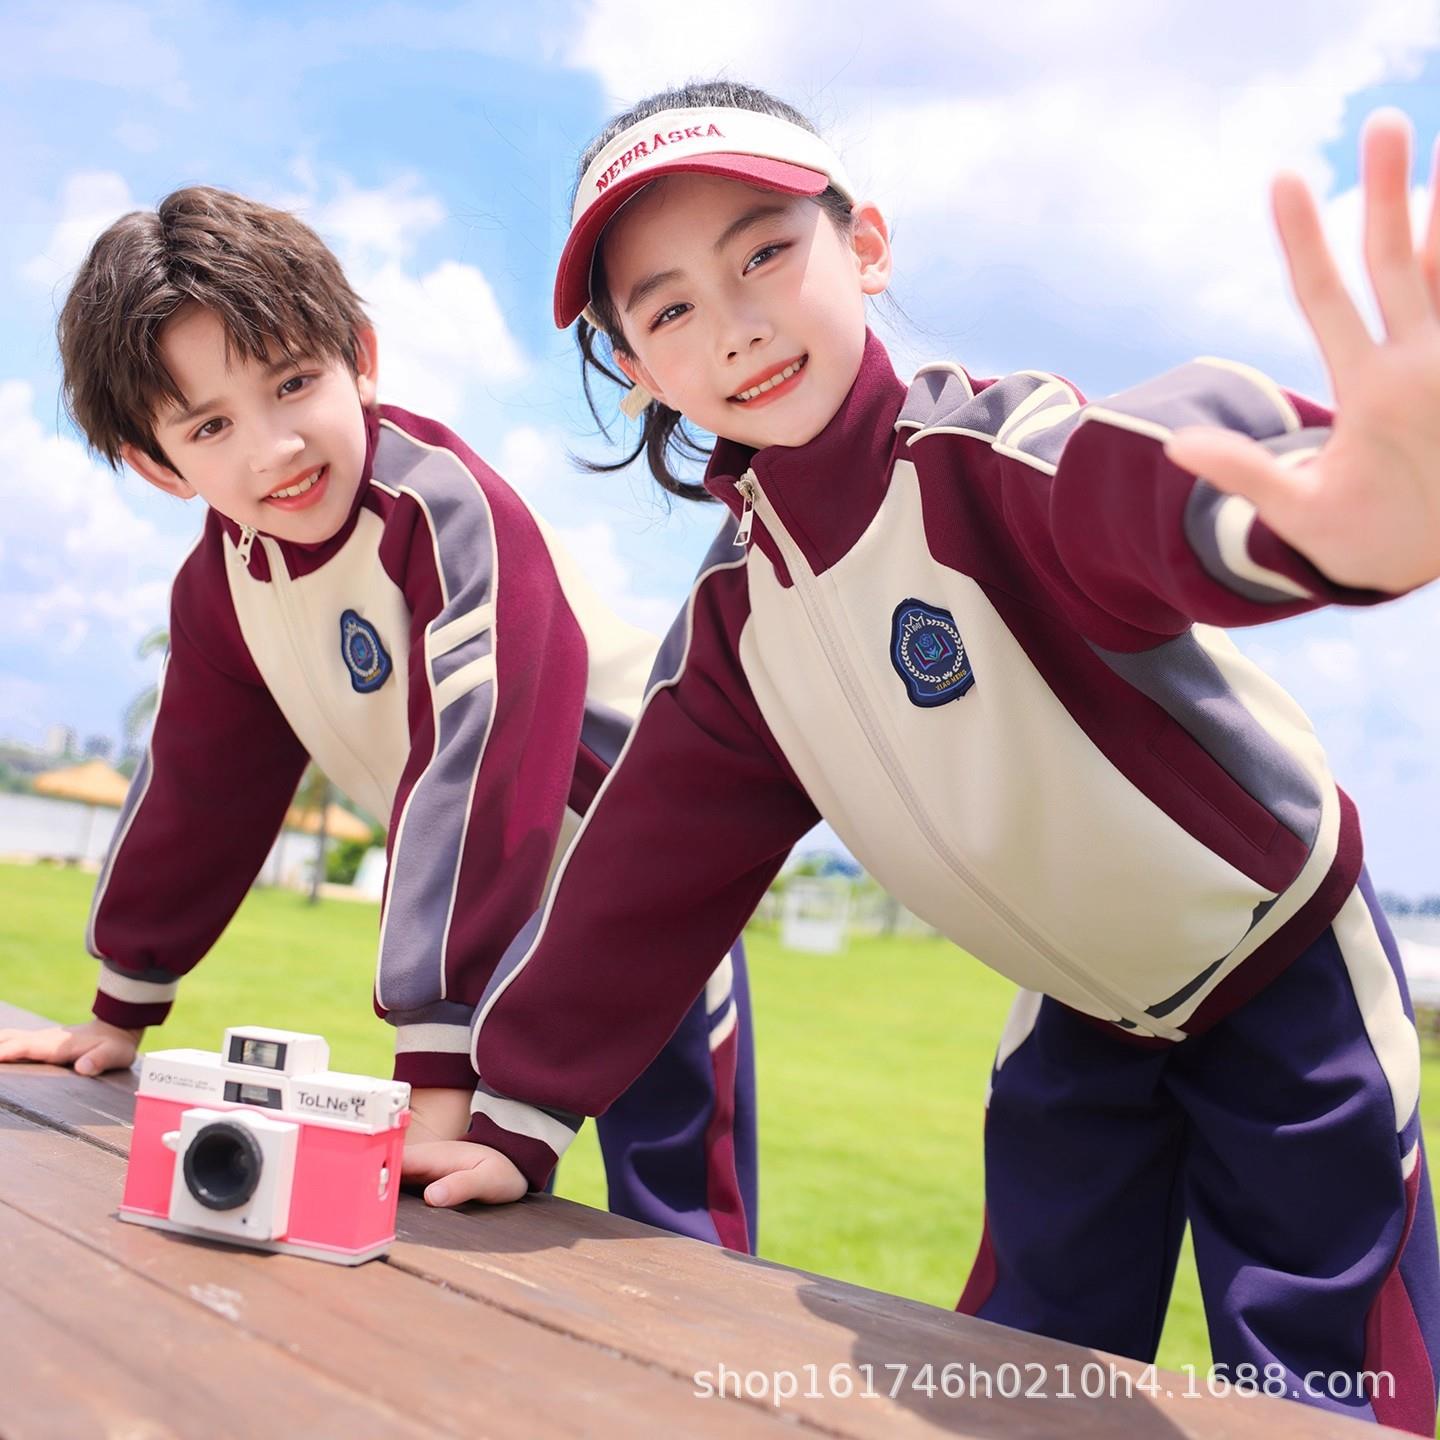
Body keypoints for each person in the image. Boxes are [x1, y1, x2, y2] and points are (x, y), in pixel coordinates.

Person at [403, 81, 1440, 1429]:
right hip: (1078, 1010)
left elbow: (1135, 478)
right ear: (639, 368)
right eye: (668, 309)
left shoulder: (982, 457)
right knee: (1013, 1368)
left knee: (1326, 1374)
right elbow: (640, 881)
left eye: (766, 251)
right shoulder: (737, 626)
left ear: (866, 246)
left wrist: (1326, 520)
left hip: (1283, 962)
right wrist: (515, 1114)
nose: (736, 322)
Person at [0, 185, 757, 1252]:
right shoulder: (224, 581)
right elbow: (198, 787)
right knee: (472, 1244)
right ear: (159, 466)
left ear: (360, 355)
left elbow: (476, 768)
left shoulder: (443, 513)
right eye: (211, 425)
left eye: (295, 383)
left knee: (673, 1221)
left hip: (637, 894)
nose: (275, 449)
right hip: (480, 917)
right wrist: (122, 1005)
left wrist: (434, 1080)